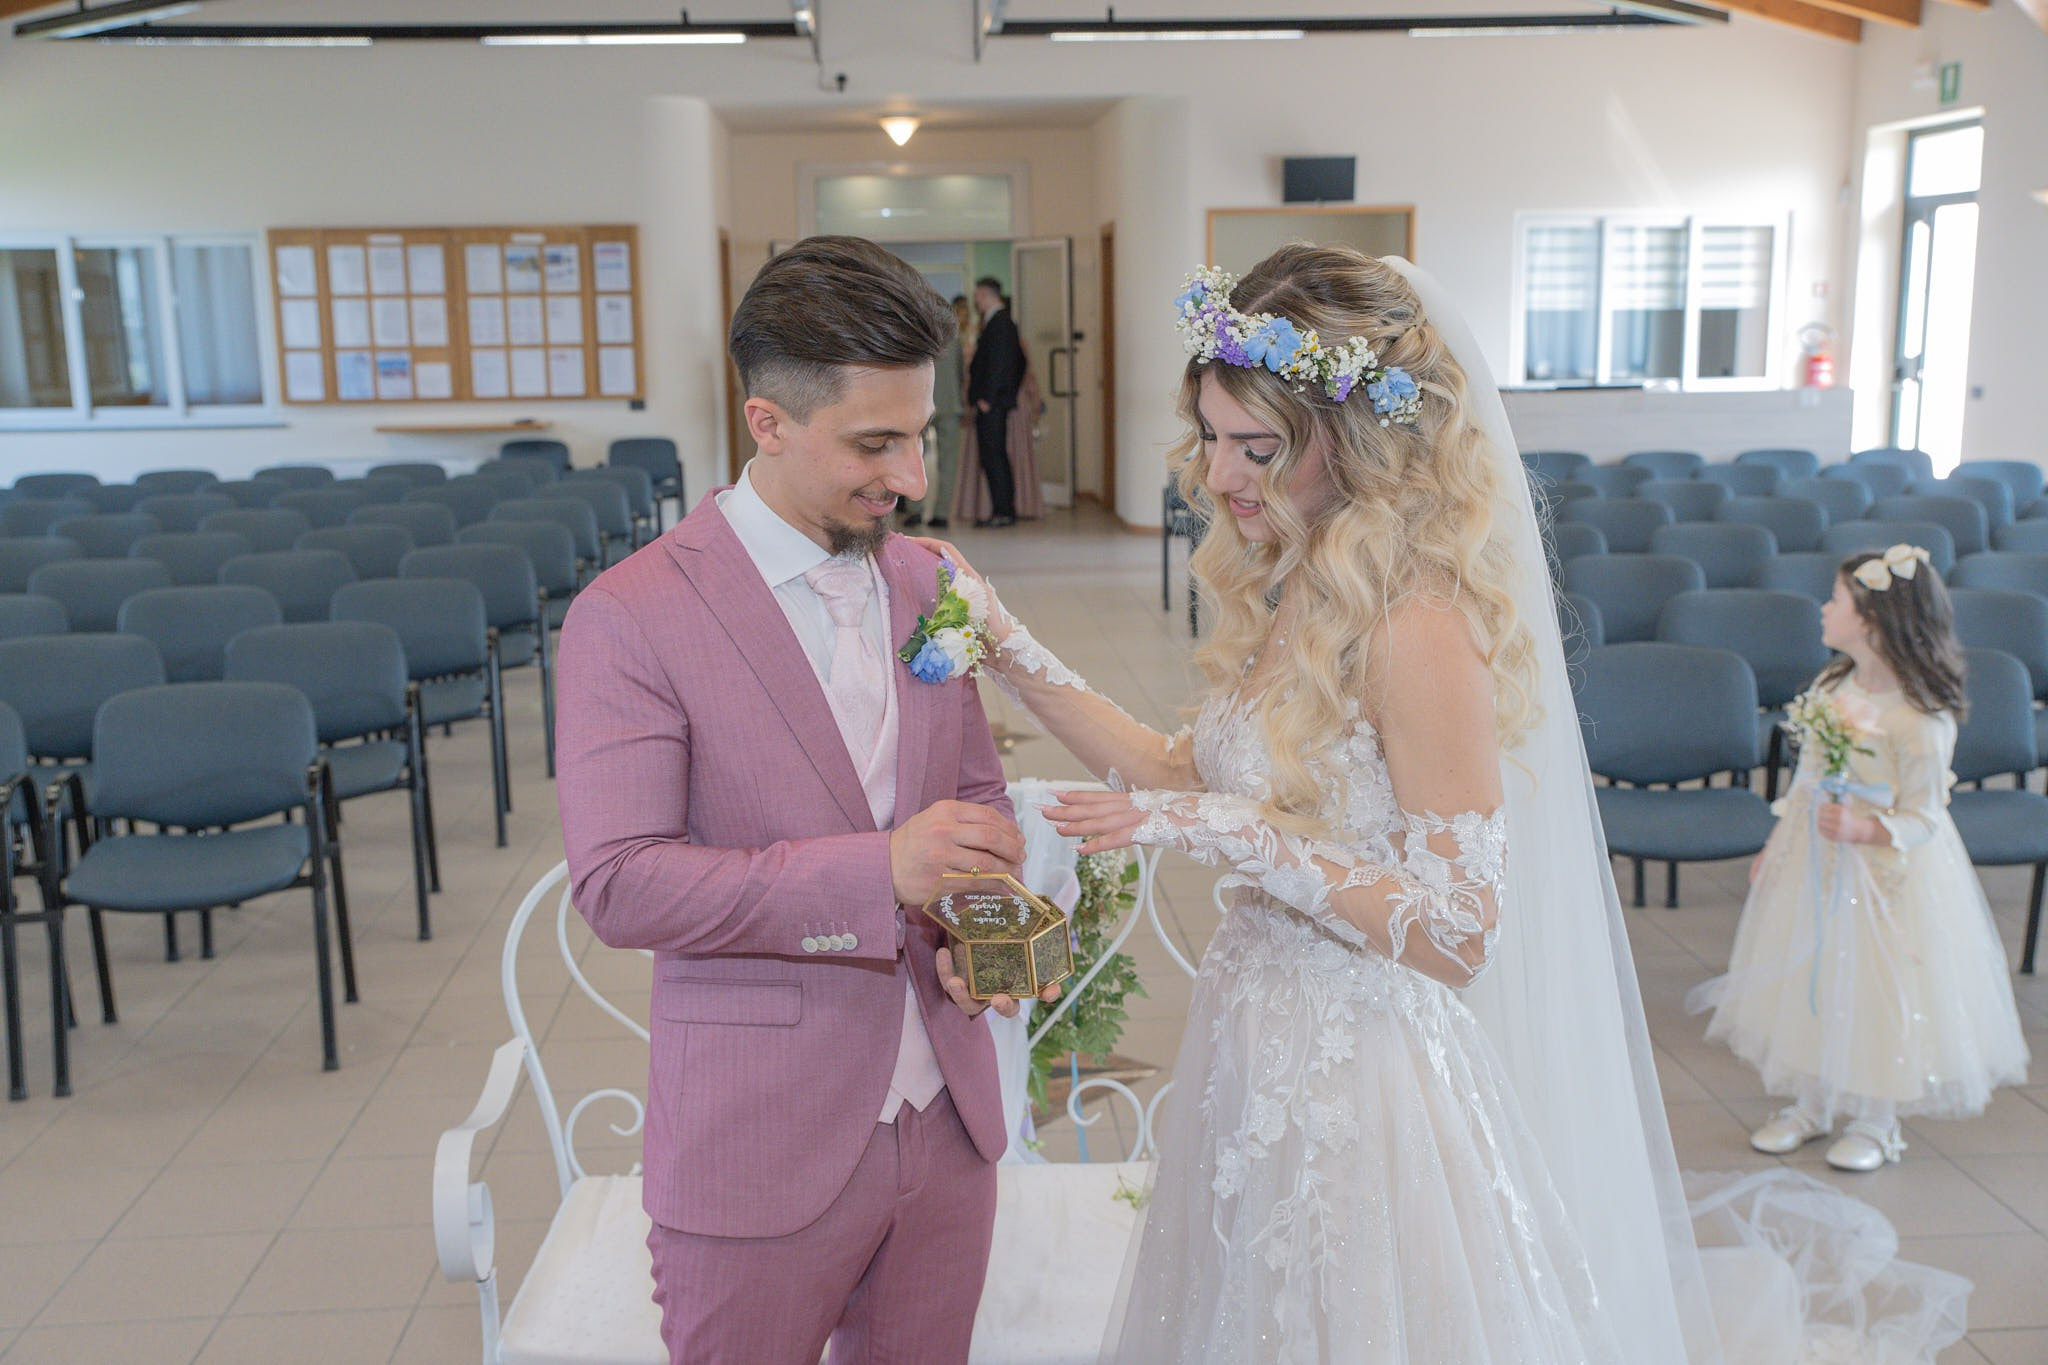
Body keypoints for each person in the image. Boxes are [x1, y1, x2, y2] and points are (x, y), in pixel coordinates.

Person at [923, 245, 1717, 1362]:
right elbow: (1167, 774)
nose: (1218, 476)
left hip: (1363, 1081)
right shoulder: (1304, 589)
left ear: (1351, 446)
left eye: (1257, 448)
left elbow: (1458, 929)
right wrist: (1001, 641)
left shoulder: (1412, 625)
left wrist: (1238, 831)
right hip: (1257, 1045)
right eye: (1209, 437)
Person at [554, 235, 1054, 1365]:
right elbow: (620, 883)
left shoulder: (928, 583)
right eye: (872, 443)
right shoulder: (629, 616)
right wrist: (878, 874)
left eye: (918, 435)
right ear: (765, 423)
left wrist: (993, 918)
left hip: (946, 1126)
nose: (912, 477)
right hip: (759, 1133)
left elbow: (969, 791)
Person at [1691, 549, 2028, 1172]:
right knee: (1811, 976)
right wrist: (1778, 843)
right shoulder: (1832, 686)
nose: (1824, 608)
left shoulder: (1920, 719)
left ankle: (1876, 1119)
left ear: (1872, 618)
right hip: (1817, 861)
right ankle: (1812, 1102)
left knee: (1879, 990)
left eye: (1837, 599)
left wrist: (1865, 829)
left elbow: (1926, 816)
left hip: (1887, 877)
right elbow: (1810, 775)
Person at [966, 276, 1024, 528]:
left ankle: (1003, 511)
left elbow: (1000, 364)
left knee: (994, 455)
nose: (976, 300)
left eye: (978, 295)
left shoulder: (1000, 323)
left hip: (992, 403)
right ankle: (1001, 509)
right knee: (992, 455)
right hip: (993, 401)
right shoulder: (998, 323)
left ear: (988, 295)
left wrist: (989, 398)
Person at [905, 297, 966, 530]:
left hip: (921, 404)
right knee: (948, 462)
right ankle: (942, 513)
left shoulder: (915, 335)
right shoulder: (953, 337)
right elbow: (961, 372)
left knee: (914, 456)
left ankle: (915, 511)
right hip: (950, 404)